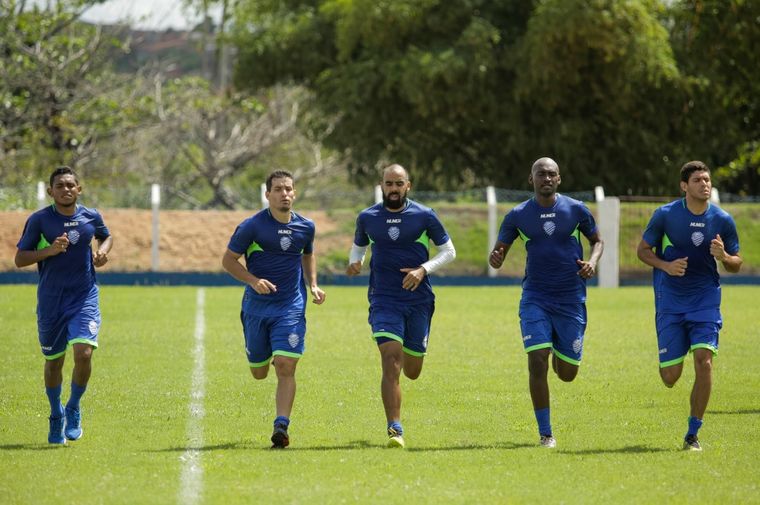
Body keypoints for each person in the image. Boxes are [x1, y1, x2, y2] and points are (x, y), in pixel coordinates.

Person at [489, 157, 603, 448]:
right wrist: (497, 257)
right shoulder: (517, 215)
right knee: (537, 360)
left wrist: (592, 262)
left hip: (570, 299)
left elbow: (597, 241)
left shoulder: (576, 210)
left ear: (559, 179)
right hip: (535, 297)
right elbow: (500, 249)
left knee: (567, 374)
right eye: (541, 174)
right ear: (532, 180)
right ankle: (546, 433)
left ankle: (558, 346)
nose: (547, 179)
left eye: (552, 174)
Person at [346, 164, 456, 448]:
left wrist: (423, 269)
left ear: (408, 185)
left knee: (413, 369)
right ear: (381, 185)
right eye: (388, 184)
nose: (393, 189)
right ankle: (395, 427)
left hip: (419, 301)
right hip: (383, 299)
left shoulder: (424, 216)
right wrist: (354, 261)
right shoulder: (368, 217)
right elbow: (359, 246)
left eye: (398, 183)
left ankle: (412, 348)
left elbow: (448, 251)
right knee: (391, 359)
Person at [636, 160, 741, 451]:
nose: (704, 184)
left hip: (706, 299)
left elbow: (736, 262)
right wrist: (665, 265)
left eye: (707, 179)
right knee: (670, 377)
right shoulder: (665, 216)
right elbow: (642, 251)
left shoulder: (722, 220)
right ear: (684, 186)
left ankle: (693, 434)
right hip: (670, 300)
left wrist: (724, 257)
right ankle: (670, 354)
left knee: (704, 361)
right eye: (698, 180)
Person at [222, 170, 326, 449]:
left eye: (289, 189)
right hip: (256, 309)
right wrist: (253, 281)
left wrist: (313, 284)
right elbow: (229, 261)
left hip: (290, 306)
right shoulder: (251, 227)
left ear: (295, 193)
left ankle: (281, 425)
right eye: (278, 189)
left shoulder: (306, 227)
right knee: (259, 372)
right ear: (267, 194)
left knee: (285, 364)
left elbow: (308, 254)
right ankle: (262, 353)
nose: (285, 194)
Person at [15, 166, 113, 445]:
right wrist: (50, 250)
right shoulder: (40, 221)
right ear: (51, 191)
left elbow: (106, 236)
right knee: (54, 361)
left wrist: (103, 252)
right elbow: (20, 259)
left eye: (71, 185)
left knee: (83, 353)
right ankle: (56, 413)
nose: (66, 189)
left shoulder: (91, 216)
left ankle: (73, 406)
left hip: (84, 297)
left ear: (79, 189)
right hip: (51, 301)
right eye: (60, 186)